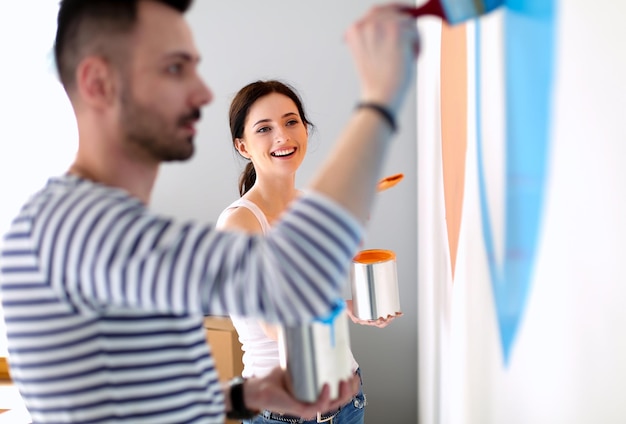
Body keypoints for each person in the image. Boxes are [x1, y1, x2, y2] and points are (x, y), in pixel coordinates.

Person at [0, 0, 420, 423]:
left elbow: (129, 396)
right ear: (98, 83)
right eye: (174, 68)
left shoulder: (97, 224)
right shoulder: (74, 228)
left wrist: (243, 396)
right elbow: (290, 276)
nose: (201, 92)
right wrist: (378, 100)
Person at [216, 79, 403, 424]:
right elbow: (277, 327)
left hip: (347, 403)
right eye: (264, 129)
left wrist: (354, 307)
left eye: (291, 122)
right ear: (243, 146)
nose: (283, 137)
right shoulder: (239, 224)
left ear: (305, 129)